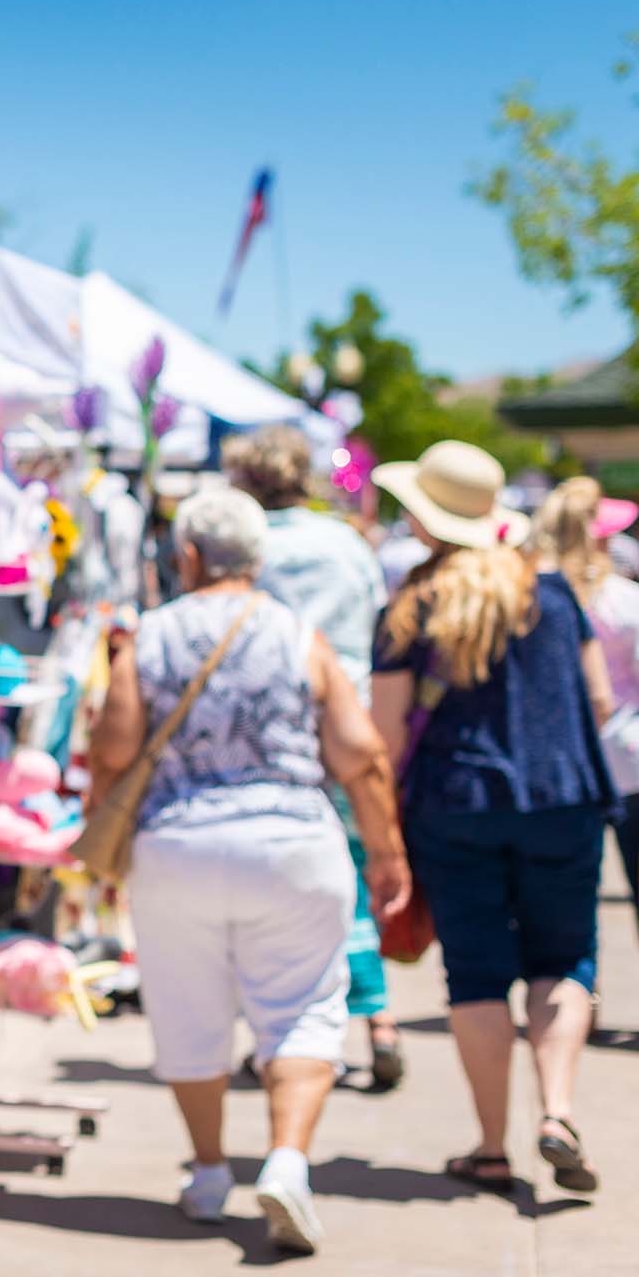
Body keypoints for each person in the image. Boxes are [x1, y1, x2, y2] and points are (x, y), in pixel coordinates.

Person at [88, 486, 410, 1254]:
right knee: (302, 1005)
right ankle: (288, 1161)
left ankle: (206, 1173)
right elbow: (361, 755)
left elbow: (113, 749)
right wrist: (388, 852)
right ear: (257, 557)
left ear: (189, 557)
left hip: (179, 848)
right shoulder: (301, 634)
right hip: (293, 844)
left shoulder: (150, 635)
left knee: (187, 1008)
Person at [371, 441, 615, 1194]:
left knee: (476, 971)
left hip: (456, 804)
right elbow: (599, 700)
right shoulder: (554, 593)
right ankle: (560, 1112)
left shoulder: (412, 604)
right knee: (564, 959)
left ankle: (489, 1145)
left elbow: (382, 734)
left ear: (423, 517)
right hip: (562, 798)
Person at [225, 425, 405, 1088]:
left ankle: (284, 1032)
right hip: (352, 719)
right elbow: (379, 624)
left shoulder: (245, 544)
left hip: (273, 734)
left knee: (277, 887)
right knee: (354, 876)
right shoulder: (345, 543)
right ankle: (376, 1017)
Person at [533, 477, 639, 1022]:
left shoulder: (537, 601)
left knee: (574, 897)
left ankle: (585, 1004)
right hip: (638, 764)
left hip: (565, 769)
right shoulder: (631, 602)